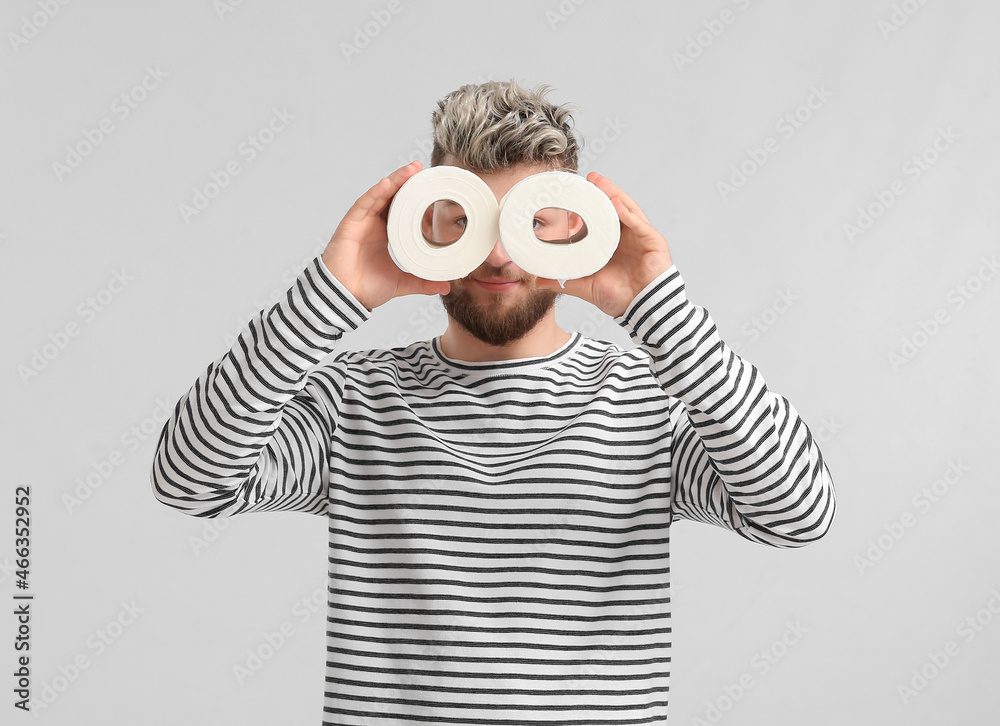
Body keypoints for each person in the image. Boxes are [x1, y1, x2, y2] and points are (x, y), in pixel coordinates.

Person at [151, 79, 836, 724]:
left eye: (533, 222)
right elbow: (190, 480)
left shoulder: (645, 404)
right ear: (424, 228)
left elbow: (795, 512)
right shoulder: (354, 404)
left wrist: (660, 309)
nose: (500, 256)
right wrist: (329, 297)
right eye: (463, 221)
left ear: (578, 228)